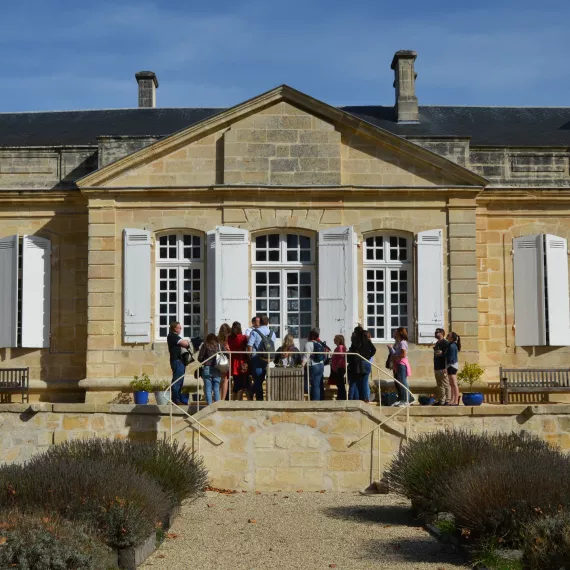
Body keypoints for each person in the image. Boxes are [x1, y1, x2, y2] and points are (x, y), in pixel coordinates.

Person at [247, 315, 276, 400]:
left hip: (256, 358)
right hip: (268, 359)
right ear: (268, 322)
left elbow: (249, 346)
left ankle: (256, 396)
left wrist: (250, 356)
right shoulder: (272, 333)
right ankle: (255, 394)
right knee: (260, 379)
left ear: (260, 322)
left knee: (258, 380)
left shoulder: (255, 332)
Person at [348, 326, 376, 401]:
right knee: (364, 381)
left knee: (360, 382)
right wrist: (368, 356)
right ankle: (365, 398)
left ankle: (363, 399)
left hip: (361, 363)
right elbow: (374, 349)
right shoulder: (367, 340)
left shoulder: (356, 340)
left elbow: (353, 349)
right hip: (367, 362)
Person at [388, 327, 414, 406]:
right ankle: (402, 399)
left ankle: (406, 400)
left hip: (402, 363)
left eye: (396, 332)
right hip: (398, 363)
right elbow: (396, 353)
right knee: (400, 382)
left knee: (403, 382)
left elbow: (403, 354)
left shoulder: (403, 342)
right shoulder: (399, 343)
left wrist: (395, 357)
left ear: (400, 333)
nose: (394, 333)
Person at [198, 333, 225, 405]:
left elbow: (200, 358)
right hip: (217, 368)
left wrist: (204, 361)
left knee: (208, 389)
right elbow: (225, 355)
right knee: (216, 389)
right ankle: (217, 405)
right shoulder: (219, 346)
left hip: (207, 368)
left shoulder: (205, 345)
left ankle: (209, 405)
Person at [167, 321, 190, 404]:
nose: (181, 329)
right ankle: (175, 399)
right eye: (179, 327)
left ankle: (178, 398)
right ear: (175, 329)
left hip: (179, 361)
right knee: (177, 380)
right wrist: (188, 342)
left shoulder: (175, 336)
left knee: (180, 380)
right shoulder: (172, 336)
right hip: (177, 361)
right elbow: (185, 344)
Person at [228, 321, 250, 401]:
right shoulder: (243, 337)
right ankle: (248, 401)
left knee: (236, 383)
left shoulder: (229, 338)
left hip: (234, 361)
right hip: (242, 361)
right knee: (246, 383)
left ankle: (235, 401)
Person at [304, 328, 327, 400]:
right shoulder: (319, 344)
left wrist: (301, 365)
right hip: (321, 365)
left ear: (310, 336)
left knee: (308, 384)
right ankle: (317, 402)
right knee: (317, 385)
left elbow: (306, 357)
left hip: (313, 366)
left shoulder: (308, 344)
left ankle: (314, 401)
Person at [433, 328, 450, 406]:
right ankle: (441, 400)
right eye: (435, 332)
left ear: (442, 333)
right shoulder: (437, 343)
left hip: (443, 367)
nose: (436, 333)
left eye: (437, 332)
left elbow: (449, 356)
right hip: (437, 367)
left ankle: (448, 400)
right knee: (439, 385)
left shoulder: (446, 343)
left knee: (446, 384)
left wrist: (446, 367)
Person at [330, 334, 348, 400]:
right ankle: (341, 396)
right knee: (339, 383)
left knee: (340, 384)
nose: (333, 340)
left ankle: (342, 397)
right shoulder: (340, 347)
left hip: (339, 368)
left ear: (338, 340)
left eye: (335, 339)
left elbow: (341, 357)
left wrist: (337, 366)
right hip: (339, 368)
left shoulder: (340, 347)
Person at [446, 332, 461, 405]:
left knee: (454, 384)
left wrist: (446, 366)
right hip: (450, 365)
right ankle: (452, 400)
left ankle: (456, 400)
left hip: (452, 365)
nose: (447, 336)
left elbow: (451, 358)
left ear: (451, 338)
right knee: (451, 384)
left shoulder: (452, 345)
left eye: (448, 335)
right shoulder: (451, 345)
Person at [218, 323, 231, 400]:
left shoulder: (218, 339)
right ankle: (222, 398)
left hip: (219, 360)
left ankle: (218, 397)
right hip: (227, 360)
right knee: (225, 380)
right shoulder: (229, 339)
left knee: (220, 380)